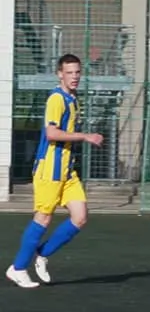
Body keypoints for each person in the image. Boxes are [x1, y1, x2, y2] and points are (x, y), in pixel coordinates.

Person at [6, 54, 103, 288]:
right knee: (43, 217)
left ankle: (42, 254)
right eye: (69, 72)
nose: (74, 77)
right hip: (50, 169)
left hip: (67, 171)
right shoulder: (56, 99)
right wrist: (85, 136)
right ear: (60, 74)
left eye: (77, 72)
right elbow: (51, 134)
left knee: (80, 217)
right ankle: (18, 268)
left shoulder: (74, 99)